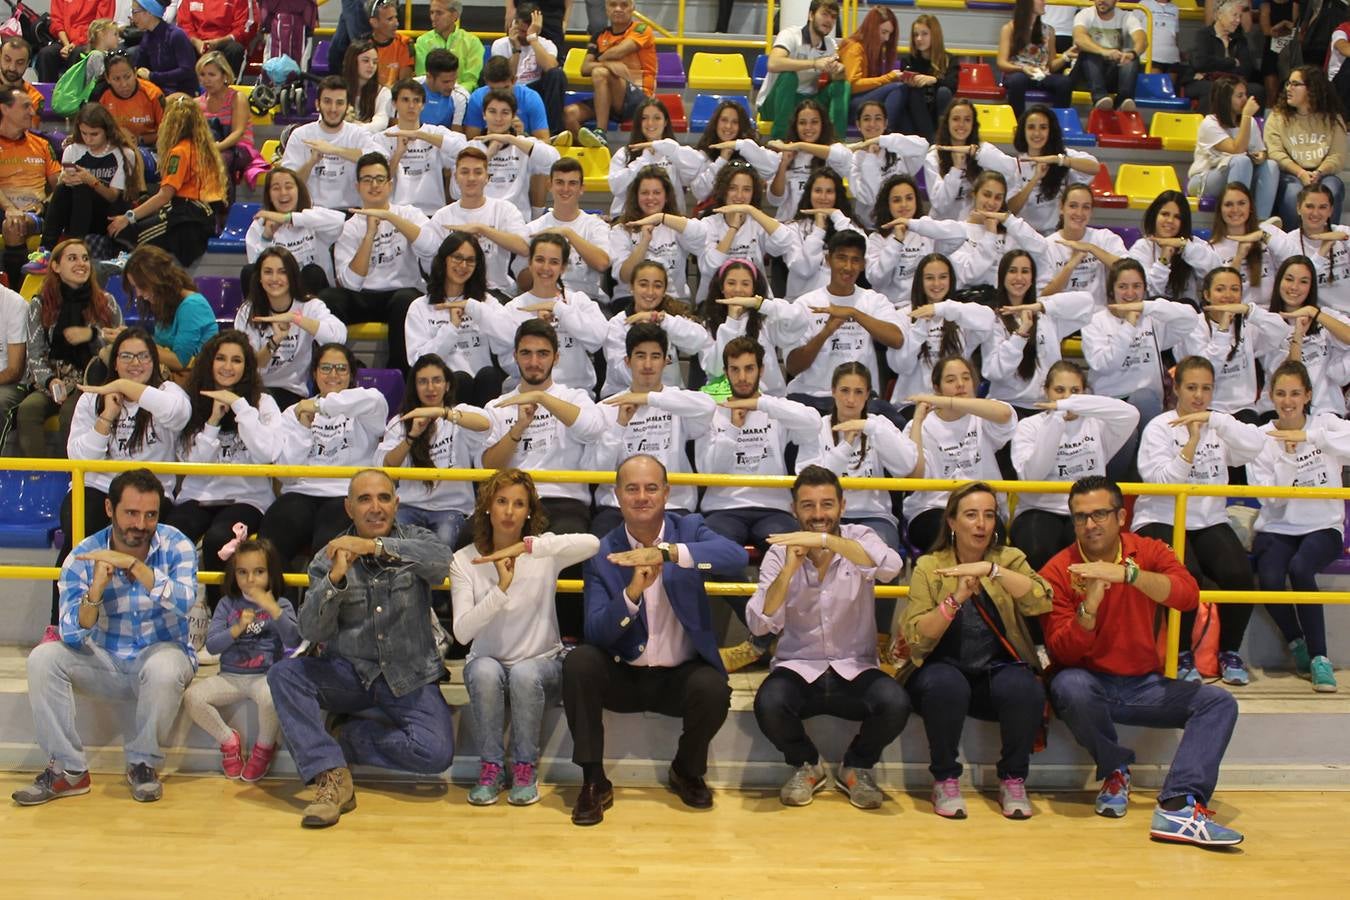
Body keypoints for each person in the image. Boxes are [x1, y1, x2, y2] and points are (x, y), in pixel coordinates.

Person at [1042, 475, 1244, 846]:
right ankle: (1115, 768)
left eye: (1100, 514)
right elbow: (1061, 652)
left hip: (1144, 685)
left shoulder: (1147, 551)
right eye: (1080, 517)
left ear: (1121, 517)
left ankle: (1179, 805)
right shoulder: (1058, 569)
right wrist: (1088, 609)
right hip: (1089, 683)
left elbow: (1186, 595)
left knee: (1218, 702)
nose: (1090, 524)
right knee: (1068, 684)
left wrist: (1128, 575)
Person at [562, 453, 746, 826]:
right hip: (623, 674)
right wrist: (631, 594)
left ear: (666, 492)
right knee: (579, 661)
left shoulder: (689, 528)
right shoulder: (602, 552)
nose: (642, 496)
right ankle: (593, 780)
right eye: (632, 489)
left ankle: (686, 770)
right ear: (617, 496)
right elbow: (596, 631)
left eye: (650, 488)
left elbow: (735, 556)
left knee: (713, 687)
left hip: (679, 677)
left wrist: (668, 553)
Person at [267, 469, 456, 828]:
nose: (376, 508)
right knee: (284, 675)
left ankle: (345, 737)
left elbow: (440, 562)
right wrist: (335, 579)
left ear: (396, 504)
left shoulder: (416, 539)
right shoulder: (327, 556)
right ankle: (330, 777)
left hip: (409, 676)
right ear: (348, 508)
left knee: (436, 753)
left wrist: (374, 547)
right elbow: (309, 629)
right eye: (365, 500)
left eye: (384, 498)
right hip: (348, 673)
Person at [12, 468, 196, 806]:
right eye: (131, 513)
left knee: (167, 667)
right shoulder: (82, 556)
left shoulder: (176, 544)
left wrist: (136, 567)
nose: (141, 524)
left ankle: (143, 765)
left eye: (150, 515)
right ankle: (69, 772)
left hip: (160, 655)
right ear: (110, 509)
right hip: (105, 660)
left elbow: (185, 603)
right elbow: (69, 632)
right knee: (43, 658)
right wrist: (95, 591)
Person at [749, 465, 911, 810]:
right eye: (808, 506)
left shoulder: (861, 536)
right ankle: (806, 765)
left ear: (842, 505)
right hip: (799, 667)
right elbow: (761, 623)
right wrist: (790, 568)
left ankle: (856, 767)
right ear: (794, 510)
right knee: (768, 703)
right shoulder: (781, 551)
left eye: (826, 504)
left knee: (895, 701)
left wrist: (826, 542)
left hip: (855, 668)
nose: (818, 514)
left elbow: (891, 567)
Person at [897, 482, 1053, 820]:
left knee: (1023, 688)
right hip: (943, 666)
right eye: (971, 515)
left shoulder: (1009, 559)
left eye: (988, 515)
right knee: (945, 685)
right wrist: (955, 599)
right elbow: (916, 635)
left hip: (996, 667)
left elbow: (1041, 599)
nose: (981, 524)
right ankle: (945, 779)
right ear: (952, 522)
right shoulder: (929, 566)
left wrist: (992, 571)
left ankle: (1013, 779)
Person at [451, 468, 600, 806]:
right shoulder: (464, 559)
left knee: (523, 672)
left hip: (540, 668)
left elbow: (592, 543)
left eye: (519, 504)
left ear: (529, 511)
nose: (508, 511)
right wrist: (500, 589)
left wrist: (531, 545)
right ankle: (490, 767)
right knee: (485, 670)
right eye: (501, 501)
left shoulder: (543, 553)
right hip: (487, 666)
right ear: (487, 507)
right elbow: (462, 632)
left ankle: (524, 768)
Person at [1133, 355, 1266, 684]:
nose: (1199, 396)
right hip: (1161, 516)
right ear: (1176, 389)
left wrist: (1216, 422)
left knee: (1239, 575)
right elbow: (1162, 482)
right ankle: (1181, 654)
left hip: (1207, 519)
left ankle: (1229, 652)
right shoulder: (1159, 427)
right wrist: (1191, 444)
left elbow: (1255, 445)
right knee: (1187, 576)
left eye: (1206, 388)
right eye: (1191, 387)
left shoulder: (1219, 425)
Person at [1251, 362, 1346, 692]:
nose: (1287, 401)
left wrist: (1310, 437)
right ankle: (1298, 644)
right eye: (1280, 393)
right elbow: (1272, 502)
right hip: (1279, 526)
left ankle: (1321, 658)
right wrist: (1289, 457)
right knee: (1270, 577)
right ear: (1270, 397)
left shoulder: (1327, 424)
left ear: (1307, 395)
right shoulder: (1261, 437)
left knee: (1301, 568)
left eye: (1294, 393)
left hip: (1324, 526)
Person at [167, 330, 283, 598]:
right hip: (198, 496)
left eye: (236, 360)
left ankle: (221, 621)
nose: (228, 367)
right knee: (172, 536)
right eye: (221, 358)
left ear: (247, 366)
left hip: (247, 498)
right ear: (210, 362)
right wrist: (212, 423)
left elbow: (267, 453)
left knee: (220, 539)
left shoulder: (263, 403)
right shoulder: (190, 401)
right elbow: (191, 464)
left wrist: (240, 407)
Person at [259, 343, 388, 572]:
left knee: (327, 551)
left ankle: (319, 608)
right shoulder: (294, 412)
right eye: (326, 368)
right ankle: (282, 608)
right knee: (270, 547)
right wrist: (303, 427)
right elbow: (286, 475)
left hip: (344, 495)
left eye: (341, 368)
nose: (333, 374)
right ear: (314, 373)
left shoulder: (365, 408)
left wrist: (320, 406)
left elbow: (376, 399)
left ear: (351, 374)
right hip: (300, 492)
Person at [182, 536, 297, 782]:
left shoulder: (282, 604)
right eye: (243, 572)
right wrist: (236, 628)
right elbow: (212, 646)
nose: (251, 579)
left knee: (271, 696)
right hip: (230, 677)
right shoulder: (226, 604)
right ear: (234, 574)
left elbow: (295, 640)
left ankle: (264, 748)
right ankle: (228, 740)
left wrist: (273, 609)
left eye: (259, 572)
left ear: (272, 573)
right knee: (192, 697)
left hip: (264, 677)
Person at [1009, 360, 1139, 569]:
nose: (1067, 397)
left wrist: (1069, 404)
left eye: (1075, 391)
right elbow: (1033, 475)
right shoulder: (1029, 426)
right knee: (1038, 550)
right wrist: (1057, 421)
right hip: (1038, 508)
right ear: (1046, 391)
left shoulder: (1097, 425)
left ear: (1085, 393)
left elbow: (1131, 414)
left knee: (1090, 553)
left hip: (1087, 510)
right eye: (1059, 390)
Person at [1081, 259, 1201, 479]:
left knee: (1143, 398)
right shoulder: (1095, 322)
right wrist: (1129, 326)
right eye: (1123, 286)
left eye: (1137, 286)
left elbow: (1190, 319)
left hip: (1148, 402)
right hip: (1111, 403)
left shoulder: (1152, 319)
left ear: (1145, 289)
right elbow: (1103, 364)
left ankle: (1146, 478)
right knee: (1126, 426)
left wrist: (1148, 306)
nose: (1130, 293)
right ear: (1111, 290)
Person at [591, 323, 716, 534]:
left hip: (673, 505)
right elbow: (597, 471)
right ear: (627, 362)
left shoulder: (677, 401)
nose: (648, 364)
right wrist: (619, 425)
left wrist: (650, 398)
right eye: (640, 356)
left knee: (691, 560)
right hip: (617, 507)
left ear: (666, 361)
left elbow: (709, 405)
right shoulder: (606, 407)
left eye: (655, 356)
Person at [798, 362, 920, 553]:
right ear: (833, 391)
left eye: (858, 392)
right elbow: (812, 481)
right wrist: (845, 446)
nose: (851, 399)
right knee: (821, 554)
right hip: (826, 516)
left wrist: (870, 428)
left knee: (881, 556)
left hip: (875, 515)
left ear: (867, 395)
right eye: (845, 391)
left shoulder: (879, 425)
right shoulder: (817, 428)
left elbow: (906, 466)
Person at [785, 230, 906, 416]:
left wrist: (853, 313)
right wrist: (826, 331)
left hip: (861, 401)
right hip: (812, 397)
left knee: (895, 423)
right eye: (841, 258)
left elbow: (897, 339)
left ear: (863, 265)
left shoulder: (873, 301)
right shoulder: (805, 304)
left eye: (855, 260)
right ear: (828, 259)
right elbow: (793, 367)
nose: (848, 267)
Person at [19, 239, 121, 459]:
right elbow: (34, 354)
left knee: (70, 414)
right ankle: (36, 478)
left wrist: (93, 335)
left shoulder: (107, 303)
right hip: (52, 381)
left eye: (85, 258)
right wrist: (49, 381)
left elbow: (121, 350)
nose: (81, 263)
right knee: (28, 410)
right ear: (55, 266)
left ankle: (74, 477)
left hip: (90, 381)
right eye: (72, 258)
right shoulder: (39, 304)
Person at [901, 355, 1015, 551]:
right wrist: (918, 421)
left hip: (982, 506)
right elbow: (914, 475)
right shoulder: (918, 425)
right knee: (944, 535)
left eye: (966, 378)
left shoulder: (983, 415)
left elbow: (1004, 414)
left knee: (989, 534)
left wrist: (952, 402)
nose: (960, 385)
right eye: (951, 380)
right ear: (936, 388)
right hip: (933, 508)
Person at [331, 151, 430, 375]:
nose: (374, 185)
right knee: (329, 299)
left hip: (400, 293)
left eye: (379, 179)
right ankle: (337, 369)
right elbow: (351, 283)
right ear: (357, 186)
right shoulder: (349, 227)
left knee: (406, 300)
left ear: (390, 184)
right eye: (367, 180)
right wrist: (369, 234)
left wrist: (392, 218)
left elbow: (431, 247)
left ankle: (399, 375)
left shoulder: (409, 214)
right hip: (363, 297)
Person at [378, 353, 490, 547]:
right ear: (414, 387)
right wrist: (412, 436)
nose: (430, 388)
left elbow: (485, 424)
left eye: (437, 380)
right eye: (423, 382)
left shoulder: (460, 413)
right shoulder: (401, 421)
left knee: (442, 546)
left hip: (451, 508)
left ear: (447, 385)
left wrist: (441, 413)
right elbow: (387, 465)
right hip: (409, 505)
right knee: (398, 548)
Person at [108, 96, 227, 268]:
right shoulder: (203, 149)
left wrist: (129, 217)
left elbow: (165, 195)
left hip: (186, 219)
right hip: (201, 215)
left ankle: (125, 267)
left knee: (127, 231)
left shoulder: (180, 152)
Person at [235, 246, 348, 411]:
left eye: (282, 272)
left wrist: (297, 319)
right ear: (259, 277)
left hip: (292, 392)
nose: (275, 278)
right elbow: (250, 366)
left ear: (292, 276)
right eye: (268, 272)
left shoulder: (310, 306)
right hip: (256, 389)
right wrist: (274, 341)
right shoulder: (248, 311)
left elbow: (338, 337)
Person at [404, 232, 506, 407]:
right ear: (444, 259)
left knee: (489, 375)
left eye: (470, 260)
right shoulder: (420, 306)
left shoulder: (486, 302)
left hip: (484, 386)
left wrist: (477, 311)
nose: (463, 265)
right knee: (460, 379)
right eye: (457, 258)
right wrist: (451, 328)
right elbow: (418, 361)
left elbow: (508, 335)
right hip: (443, 391)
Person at [416, 146, 531, 297]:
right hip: (454, 292)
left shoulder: (505, 210)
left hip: (495, 291)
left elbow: (523, 248)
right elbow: (429, 262)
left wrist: (482, 229)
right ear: (455, 177)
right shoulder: (442, 216)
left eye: (477, 172)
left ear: (487, 177)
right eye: (465, 172)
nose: (471, 178)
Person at [1179, 266, 1289, 420]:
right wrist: (1223, 330)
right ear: (1207, 294)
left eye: (1235, 289)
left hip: (1244, 408)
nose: (1228, 295)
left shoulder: (1246, 323)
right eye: (1220, 289)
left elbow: (1281, 330)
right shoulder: (1195, 325)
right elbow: (1207, 370)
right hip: (1207, 407)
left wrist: (1249, 310)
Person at [505, 232, 607, 394]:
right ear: (530, 263)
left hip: (577, 394)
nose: (545, 268)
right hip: (531, 393)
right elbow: (507, 362)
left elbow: (597, 340)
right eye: (539, 260)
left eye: (554, 262)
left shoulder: (579, 301)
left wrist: (559, 308)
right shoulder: (513, 308)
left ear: (563, 267)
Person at [698, 257, 807, 397]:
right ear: (722, 287)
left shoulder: (765, 320)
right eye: (731, 283)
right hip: (724, 400)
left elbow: (800, 321)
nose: (738, 290)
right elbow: (716, 369)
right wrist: (732, 321)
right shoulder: (708, 323)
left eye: (745, 284)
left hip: (767, 399)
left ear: (754, 288)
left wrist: (762, 304)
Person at [42, 103, 142, 252]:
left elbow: (113, 197)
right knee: (64, 188)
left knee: (83, 187)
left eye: (94, 134)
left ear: (106, 131)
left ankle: (76, 248)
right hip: (77, 211)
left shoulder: (124, 154)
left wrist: (91, 180)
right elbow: (63, 193)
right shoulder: (73, 150)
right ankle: (45, 250)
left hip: (106, 214)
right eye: (84, 133)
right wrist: (64, 179)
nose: (88, 139)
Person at [600, 260, 710, 396]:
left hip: (667, 399)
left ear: (664, 291)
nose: (650, 292)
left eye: (657, 286)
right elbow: (620, 373)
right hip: (625, 396)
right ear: (632, 287)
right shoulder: (617, 324)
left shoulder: (668, 318)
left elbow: (700, 340)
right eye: (643, 284)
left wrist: (660, 319)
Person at [1262, 254, 1350, 416]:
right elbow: (1291, 374)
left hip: (1327, 410)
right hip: (1283, 411)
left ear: (1311, 287)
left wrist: (1314, 313)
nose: (1294, 287)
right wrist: (1298, 335)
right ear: (1279, 281)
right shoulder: (1267, 323)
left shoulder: (1324, 316)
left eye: (1303, 282)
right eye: (1289, 279)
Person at [279, 76, 381, 214]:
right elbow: (288, 184)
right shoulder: (300, 135)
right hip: (311, 212)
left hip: (351, 212)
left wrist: (335, 150)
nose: (333, 109)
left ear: (347, 106)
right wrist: (311, 162)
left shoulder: (358, 134)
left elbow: (380, 159)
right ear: (317, 104)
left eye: (339, 103)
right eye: (327, 101)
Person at [563, 0, 657, 146]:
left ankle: (601, 131)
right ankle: (596, 149)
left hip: (640, 97)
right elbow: (584, 68)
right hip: (609, 99)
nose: (618, 9)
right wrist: (609, 64)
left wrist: (600, 59)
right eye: (613, 5)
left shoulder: (642, 29)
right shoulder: (599, 36)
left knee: (600, 72)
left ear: (633, 8)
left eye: (624, 5)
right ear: (606, 9)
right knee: (569, 114)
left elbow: (620, 51)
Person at [608, 166, 708, 303]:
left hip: (673, 300)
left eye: (656, 192)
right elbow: (625, 276)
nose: (650, 198)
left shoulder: (677, 226)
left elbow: (703, 236)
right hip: (631, 300)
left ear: (666, 196)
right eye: (644, 193)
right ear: (636, 196)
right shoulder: (621, 230)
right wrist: (644, 242)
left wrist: (661, 218)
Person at [1265, 65, 1348, 228]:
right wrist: (1300, 172)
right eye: (1288, 83)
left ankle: (1329, 242)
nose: (1289, 88)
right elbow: (1275, 152)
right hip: (1290, 173)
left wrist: (1319, 172)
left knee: (1332, 188)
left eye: (1295, 84)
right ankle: (1293, 245)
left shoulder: (1332, 119)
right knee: (1293, 193)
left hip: (1322, 172)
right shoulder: (1277, 117)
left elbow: (1337, 155)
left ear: (1312, 89)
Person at [864, 174, 962, 308]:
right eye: (897, 200)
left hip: (927, 307)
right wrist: (896, 241)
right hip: (891, 309)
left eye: (909, 198)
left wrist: (913, 224)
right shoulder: (877, 238)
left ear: (916, 200)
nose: (904, 205)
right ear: (887, 204)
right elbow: (877, 280)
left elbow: (960, 235)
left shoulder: (926, 229)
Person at [245, 167, 347, 295]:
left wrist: (289, 218)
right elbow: (256, 272)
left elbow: (339, 221)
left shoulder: (312, 217)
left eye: (289, 187)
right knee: (249, 271)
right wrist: (266, 238)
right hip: (276, 294)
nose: (283, 193)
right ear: (269, 195)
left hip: (315, 297)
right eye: (276, 188)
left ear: (299, 190)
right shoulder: (259, 225)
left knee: (312, 272)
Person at [122, 244, 219, 380]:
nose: (138, 293)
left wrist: (136, 344)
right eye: (135, 287)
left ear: (159, 281)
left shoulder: (192, 305)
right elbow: (160, 346)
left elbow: (180, 361)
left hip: (195, 380)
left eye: (141, 286)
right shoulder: (164, 303)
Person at [757, 0, 848, 142]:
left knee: (842, 85)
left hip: (806, 102)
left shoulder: (830, 45)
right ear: (811, 15)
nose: (829, 20)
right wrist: (814, 63)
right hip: (774, 102)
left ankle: (837, 142)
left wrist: (839, 71)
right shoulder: (790, 35)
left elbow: (836, 79)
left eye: (833, 17)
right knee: (789, 76)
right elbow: (773, 63)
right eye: (824, 14)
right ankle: (780, 141)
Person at [524, 156, 612, 301]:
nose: (565, 189)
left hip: (587, 299)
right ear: (549, 185)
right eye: (559, 182)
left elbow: (602, 264)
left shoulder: (595, 225)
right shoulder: (533, 228)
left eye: (572, 183)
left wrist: (567, 233)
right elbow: (523, 281)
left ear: (581, 188)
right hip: (544, 299)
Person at [374, 79, 466, 215]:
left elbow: (464, 149)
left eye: (416, 101)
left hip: (433, 212)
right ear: (394, 104)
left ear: (423, 105)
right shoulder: (382, 138)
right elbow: (379, 182)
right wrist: (398, 154)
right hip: (396, 213)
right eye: (405, 100)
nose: (411, 105)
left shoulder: (435, 132)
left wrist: (421, 135)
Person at [1189, 78, 1278, 219]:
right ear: (1225, 99)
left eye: (1245, 95)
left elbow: (1260, 150)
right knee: (1241, 161)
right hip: (1204, 179)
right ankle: (1236, 220)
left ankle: (1261, 222)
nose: (1246, 100)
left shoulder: (1249, 122)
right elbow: (1237, 148)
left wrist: (1261, 156)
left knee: (1271, 165)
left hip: (1240, 172)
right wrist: (1247, 115)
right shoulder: (1209, 123)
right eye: (1239, 96)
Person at [0, 86, 60, 290]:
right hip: (4, 210)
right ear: (4, 109)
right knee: (12, 222)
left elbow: (59, 185)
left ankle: (17, 292)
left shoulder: (42, 144)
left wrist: (45, 204)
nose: (32, 112)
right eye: (25, 107)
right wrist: (9, 208)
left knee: (16, 224)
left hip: (36, 215)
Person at [1007, 105, 1100, 235]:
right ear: (1023, 131)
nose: (1037, 133)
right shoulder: (1014, 164)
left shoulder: (1062, 155)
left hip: (1056, 235)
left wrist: (1058, 160)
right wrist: (1034, 180)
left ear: (1051, 131)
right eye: (1031, 127)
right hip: (1023, 236)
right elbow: (1011, 210)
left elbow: (1095, 167)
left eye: (1043, 127)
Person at [469, 89, 560, 222]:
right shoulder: (471, 147)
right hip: (480, 219)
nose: (498, 118)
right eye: (492, 111)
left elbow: (554, 161)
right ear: (484, 114)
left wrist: (512, 140)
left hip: (516, 221)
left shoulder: (523, 145)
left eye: (505, 113)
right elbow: (456, 190)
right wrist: (488, 156)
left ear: (513, 116)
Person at [606, 96, 704, 219]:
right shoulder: (624, 154)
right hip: (629, 220)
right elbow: (616, 187)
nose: (650, 123)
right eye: (644, 118)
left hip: (670, 220)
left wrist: (664, 147)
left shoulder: (675, 152)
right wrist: (644, 157)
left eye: (657, 118)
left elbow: (697, 165)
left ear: (666, 122)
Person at [923, 98, 1016, 222]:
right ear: (947, 123)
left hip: (974, 227)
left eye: (967, 120)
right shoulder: (934, 156)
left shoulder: (983, 150)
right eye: (956, 119)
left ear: (973, 124)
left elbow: (1013, 169)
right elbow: (940, 205)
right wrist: (956, 170)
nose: (961, 124)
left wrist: (977, 154)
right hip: (941, 228)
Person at [781, 167, 865, 298]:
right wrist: (819, 230)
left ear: (837, 195)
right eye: (818, 191)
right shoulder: (793, 228)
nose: (823, 197)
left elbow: (865, 251)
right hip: (802, 305)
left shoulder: (845, 224)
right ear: (809, 193)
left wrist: (836, 215)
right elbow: (803, 269)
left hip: (841, 303)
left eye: (829, 191)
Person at [1125, 190, 1223, 303]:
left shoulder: (1193, 244)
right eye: (1165, 214)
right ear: (1154, 216)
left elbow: (1217, 273)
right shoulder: (1141, 248)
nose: (1170, 220)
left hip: (1188, 316)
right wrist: (1164, 260)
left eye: (1177, 217)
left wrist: (1184, 246)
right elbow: (1150, 293)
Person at [766, 99, 852, 224]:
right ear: (795, 125)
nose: (808, 127)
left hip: (824, 225)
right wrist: (783, 164)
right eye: (802, 122)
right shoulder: (786, 154)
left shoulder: (833, 150)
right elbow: (775, 200)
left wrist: (801, 145)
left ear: (823, 124)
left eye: (814, 122)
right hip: (790, 226)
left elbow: (845, 157)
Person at [846, 101, 927, 229]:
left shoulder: (896, 148)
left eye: (878, 118)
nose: (872, 124)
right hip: (871, 228)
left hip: (905, 221)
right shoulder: (853, 159)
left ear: (886, 123)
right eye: (867, 119)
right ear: (858, 124)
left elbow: (923, 146)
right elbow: (870, 198)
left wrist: (881, 140)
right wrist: (871, 155)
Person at [490, 3, 565, 136]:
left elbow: (551, 68)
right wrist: (516, 49)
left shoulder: (547, 44)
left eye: (528, 31)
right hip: (510, 87)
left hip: (536, 89)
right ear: (514, 24)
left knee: (557, 75)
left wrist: (533, 39)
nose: (523, 35)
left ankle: (554, 134)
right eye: (521, 30)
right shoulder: (500, 44)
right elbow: (505, 76)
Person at [195, 52, 257, 202]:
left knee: (220, 159)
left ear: (225, 76)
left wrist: (217, 148)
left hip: (239, 147)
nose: (206, 80)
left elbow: (238, 132)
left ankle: (223, 208)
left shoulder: (237, 98)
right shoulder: (196, 103)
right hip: (209, 148)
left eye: (212, 74)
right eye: (202, 75)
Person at [998, 0, 1075, 117]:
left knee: (1064, 82)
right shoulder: (1009, 28)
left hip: (1042, 74)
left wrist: (1066, 56)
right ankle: (1018, 122)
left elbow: (1051, 66)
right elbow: (1001, 62)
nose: (1045, 3)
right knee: (1017, 80)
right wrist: (1022, 68)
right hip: (1019, 73)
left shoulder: (1049, 31)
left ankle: (1057, 122)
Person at [1186, 0, 1263, 114]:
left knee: (1257, 90)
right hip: (1202, 82)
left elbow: (1246, 68)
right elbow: (1200, 63)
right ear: (1219, 15)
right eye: (1234, 15)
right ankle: (1207, 127)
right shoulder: (1203, 35)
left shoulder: (1240, 40)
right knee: (1214, 89)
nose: (1238, 20)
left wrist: (1217, 69)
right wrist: (1231, 62)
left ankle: (1249, 128)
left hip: (1230, 82)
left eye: (1240, 16)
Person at [1072, 0, 1146, 112]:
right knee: (1089, 51)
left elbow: (1142, 40)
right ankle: (1100, 98)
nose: (1102, 1)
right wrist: (1104, 51)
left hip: (1111, 75)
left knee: (1130, 55)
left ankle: (1123, 101)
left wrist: (1132, 53)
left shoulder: (1127, 16)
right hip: (1085, 76)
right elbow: (1079, 38)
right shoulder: (1084, 14)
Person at [838, 6, 904, 128]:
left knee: (903, 95)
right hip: (848, 105)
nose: (887, 38)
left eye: (889, 33)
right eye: (884, 32)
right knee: (898, 88)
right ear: (872, 29)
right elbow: (852, 85)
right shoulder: (855, 48)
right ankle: (884, 135)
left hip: (860, 101)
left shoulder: (871, 49)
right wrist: (888, 78)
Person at [462, 56, 553, 142]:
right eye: (493, 89)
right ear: (486, 82)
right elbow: (471, 140)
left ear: (514, 80)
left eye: (505, 88)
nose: (499, 94)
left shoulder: (531, 98)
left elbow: (545, 141)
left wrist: (522, 136)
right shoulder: (477, 98)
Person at [898, 14, 957, 141]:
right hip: (914, 114)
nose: (919, 39)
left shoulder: (949, 59)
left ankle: (939, 139)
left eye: (924, 34)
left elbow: (953, 85)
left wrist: (934, 80)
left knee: (944, 91)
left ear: (934, 35)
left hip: (938, 112)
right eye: (916, 35)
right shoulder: (908, 60)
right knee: (912, 92)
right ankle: (932, 142)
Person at [95, 52, 166, 153]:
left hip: (150, 149)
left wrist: (139, 139)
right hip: (113, 147)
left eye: (127, 77)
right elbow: (94, 130)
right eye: (116, 79)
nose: (123, 84)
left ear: (135, 73)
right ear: (108, 79)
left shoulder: (153, 94)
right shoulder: (101, 97)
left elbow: (168, 132)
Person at [130, 0, 198, 96]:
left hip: (180, 93)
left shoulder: (176, 35)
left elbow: (186, 70)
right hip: (158, 92)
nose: (132, 18)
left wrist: (153, 76)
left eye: (134, 12)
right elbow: (140, 66)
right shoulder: (148, 36)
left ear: (149, 12)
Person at [36, 0, 115, 82]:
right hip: (65, 41)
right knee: (46, 54)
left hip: (91, 41)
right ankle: (45, 94)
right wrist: (66, 45)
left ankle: (72, 93)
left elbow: (100, 25)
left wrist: (75, 44)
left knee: (77, 53)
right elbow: (56, 22)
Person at [415, 0, 483, 90]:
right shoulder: (422, 41)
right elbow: (423, 76)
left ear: (455, 15)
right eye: (431, 12)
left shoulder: (472, 42)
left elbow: (471, 81)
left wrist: (455, 95)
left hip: (462, 96)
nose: (433, 18)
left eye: (439, 13)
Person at [176, 0, 253, 78]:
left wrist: (218, 42)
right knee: (181, 47)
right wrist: (196, 42)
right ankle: (186, 86)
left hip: (225, 42)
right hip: (197, 42)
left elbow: (242, 28)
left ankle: (229, 86)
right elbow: (184, 26)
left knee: (236, 49)